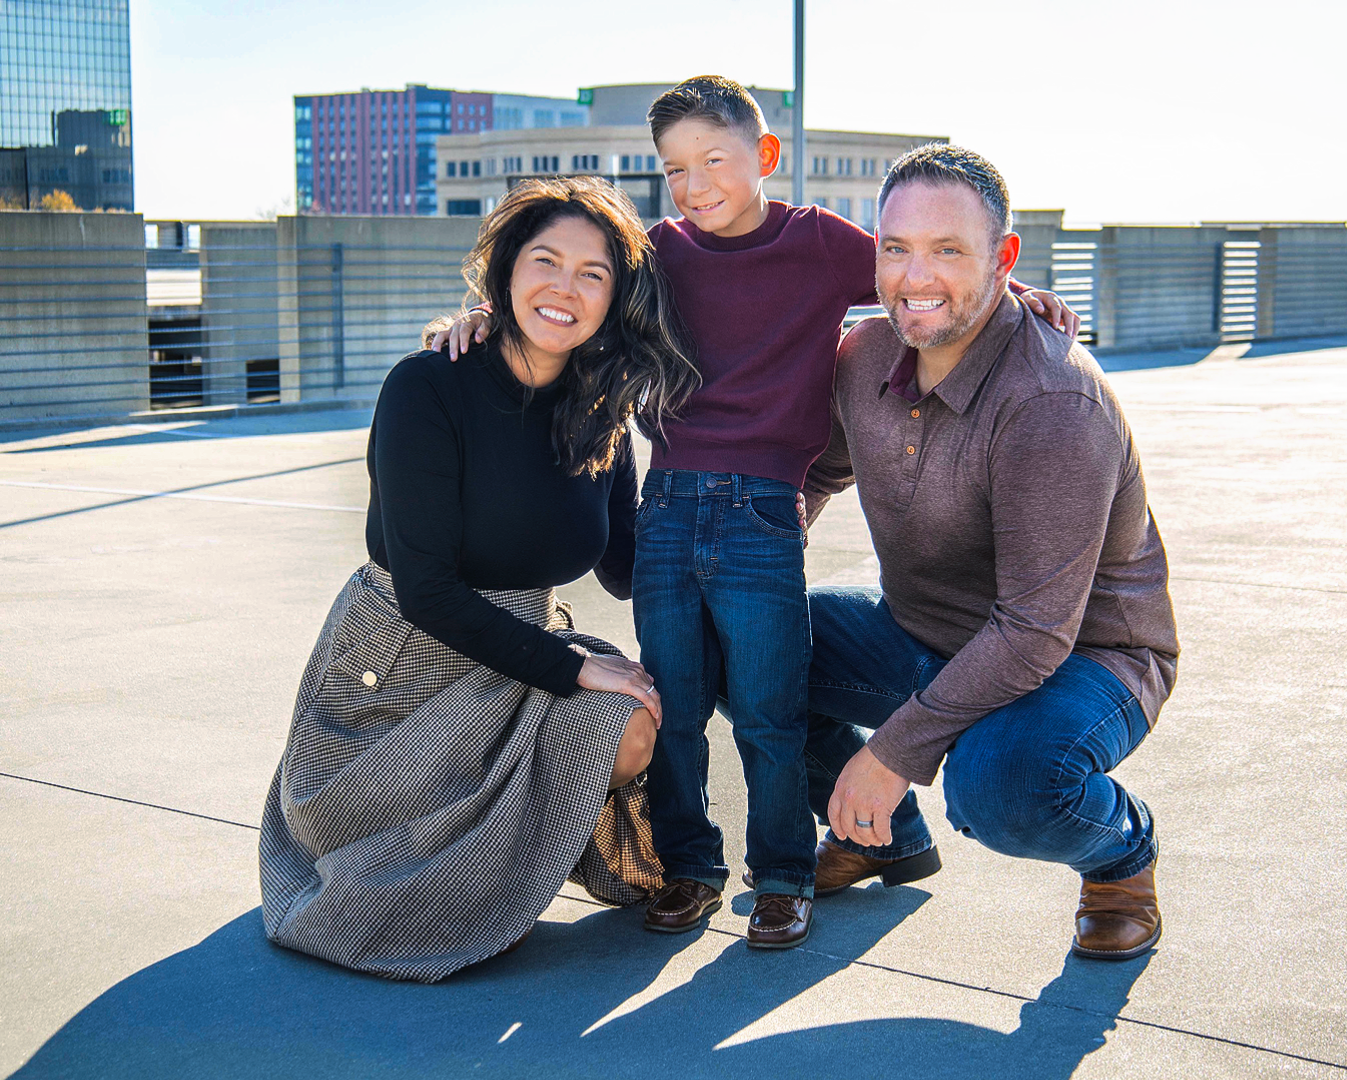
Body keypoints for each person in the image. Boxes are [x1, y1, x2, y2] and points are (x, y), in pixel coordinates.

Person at [433, 76, 1077, 950]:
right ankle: (689, 868)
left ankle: (781, 877)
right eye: (675, 170)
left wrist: (1018, 291)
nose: (694, 186)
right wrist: (483, 318)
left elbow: (919, 274)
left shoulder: (819, 243)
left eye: (713, 161)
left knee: (772, 715)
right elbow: (568, 296)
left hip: (764, 515)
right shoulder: (654, 252)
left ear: (765, 156)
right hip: (667, 509)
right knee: (675, 709)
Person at [257, 176, 699, 982]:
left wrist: (739, 536)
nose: (564, 288)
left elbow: (630, 566)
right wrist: (574, 666)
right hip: (399, 662)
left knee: (632, 720)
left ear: (615, 299)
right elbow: (426, 592)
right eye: (545, 261)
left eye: (592, 273)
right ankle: (451, 887)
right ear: (506, 271)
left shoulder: (601, 411)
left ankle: (489, 876)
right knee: (602, 692)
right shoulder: (427, 386)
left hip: (518, 652)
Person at [800, 144, 1179, 961]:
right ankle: (879, 834)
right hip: (923, 635)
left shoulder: (1052, 402)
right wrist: (762, 547)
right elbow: (820, 469)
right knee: (743, 639)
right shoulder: (865, 356)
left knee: (1003, 787)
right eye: (897, 248)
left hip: (1085, 660)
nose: (916, 275)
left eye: (948, 249)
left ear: (1004, 258)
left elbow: (1036, 632)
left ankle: (1121, 855)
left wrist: (891, 751)